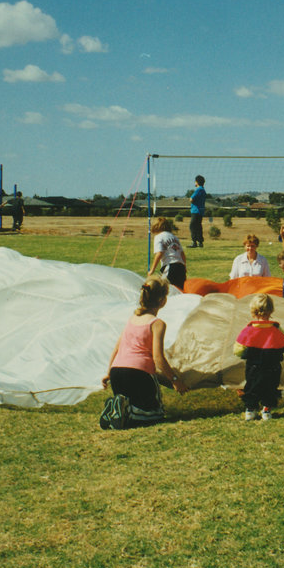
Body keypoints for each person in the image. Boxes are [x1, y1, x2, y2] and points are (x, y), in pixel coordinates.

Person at [101, 276, 188, 426]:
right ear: (162, 301)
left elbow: (117, 348)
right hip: (139, 374)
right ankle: (129, 413)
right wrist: (175, 380)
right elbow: (158, 358)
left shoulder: (132, 319)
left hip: (117, 373)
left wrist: (109, 373)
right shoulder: (157, 324)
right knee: (156, 413)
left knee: (132, 401)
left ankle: (119, 408)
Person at [234, 293, 284, 421]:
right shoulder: (276, 329)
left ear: (252, 311)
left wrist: (246, 353)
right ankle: (266, 410)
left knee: (251, 387)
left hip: (253, 366)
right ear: (271, 310)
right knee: (270, 388)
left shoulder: (248, 329)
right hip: (273, 366)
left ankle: (250, 409)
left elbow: (237, 350)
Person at [148, 217, 187, 290]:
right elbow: (182, 254)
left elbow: (159, 253)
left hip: (170, 266)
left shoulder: (159, 237)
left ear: (156, 227)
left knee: (165, 290)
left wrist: (152, 270)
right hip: (181, 267)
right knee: (180, 291)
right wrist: (184, 267)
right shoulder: (174, 237)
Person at [189, 175, 206, 248]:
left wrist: (191, 200)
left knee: (192, 226)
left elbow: (191, 199)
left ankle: (194, 242)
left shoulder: (198, 190)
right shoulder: (203, 190)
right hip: (201, 211)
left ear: (197, 182)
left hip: (196, 211)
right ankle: (200, 242)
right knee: (198, 226)